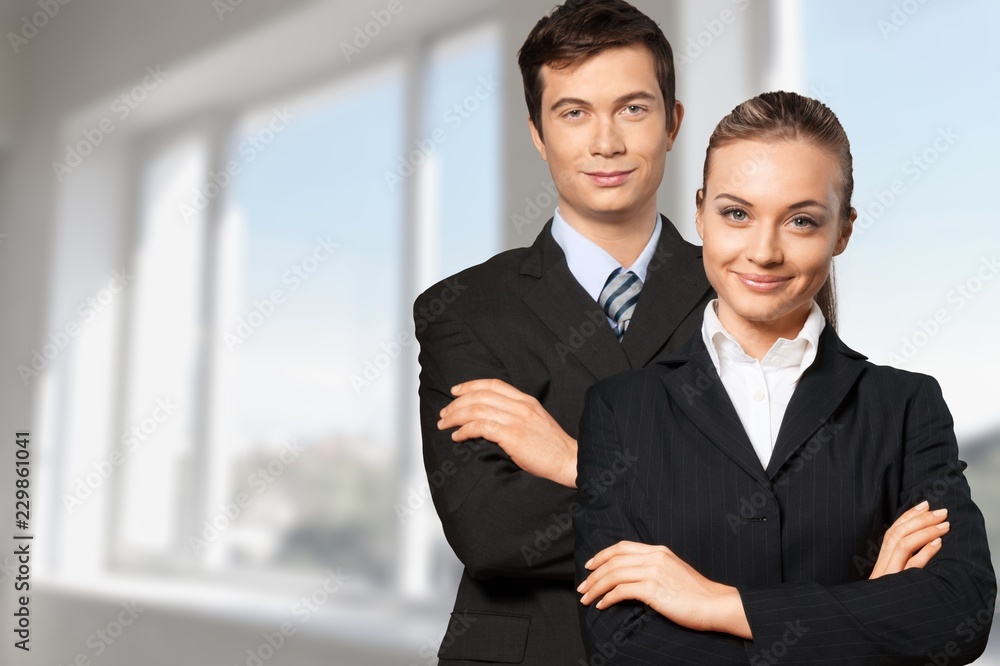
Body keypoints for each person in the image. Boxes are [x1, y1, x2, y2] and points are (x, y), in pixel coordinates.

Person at [416, 3, 950, 664]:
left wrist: (568, 460)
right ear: (536, 132)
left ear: (673, 123)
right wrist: (760, 532)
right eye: (573, 112)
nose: (605, 142)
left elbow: (823, 494)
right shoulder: (464, 309)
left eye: (633, 108)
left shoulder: (751, 284)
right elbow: (494, 532)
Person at [574, 91, 997, 664]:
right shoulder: (621, 409)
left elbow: (957, 611)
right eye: (736, 213)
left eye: (801, 220)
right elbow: (620, 643)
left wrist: (718, 604)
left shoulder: (903, 406)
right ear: (700, 213)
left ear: (842, 232)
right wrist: (865, 610)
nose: (764, 251)